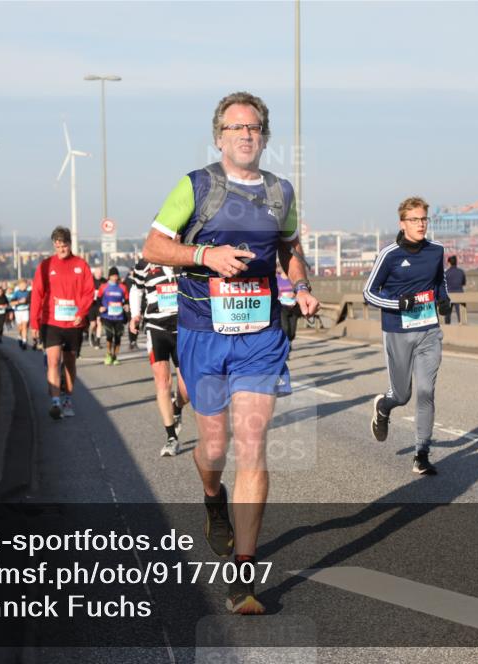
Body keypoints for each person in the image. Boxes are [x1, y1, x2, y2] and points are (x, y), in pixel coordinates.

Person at [142, 91, 318, 614]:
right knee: (214, 448)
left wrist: (302, 284)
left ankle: (243, 575)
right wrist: (205, 254)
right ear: (219, 136)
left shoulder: (281, 192)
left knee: (253, 442)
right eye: (236, 127)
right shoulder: (196, 186)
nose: (246, 134)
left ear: (265, 136)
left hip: (261, 335)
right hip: (202, 331)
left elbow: (289, 248)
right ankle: (212, 498)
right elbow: (153, 247)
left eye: (255, 127)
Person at [362, 196, 449, 475]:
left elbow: (439, 282)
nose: (421, 224)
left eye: (424, 219)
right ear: (403, 223)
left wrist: (444, 299)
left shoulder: (436, 250)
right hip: (398, 331)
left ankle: (421, 453)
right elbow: (369, 292)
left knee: (426, 391)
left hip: (429, 331)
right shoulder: (390, 254)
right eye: (415, 219)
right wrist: (398, 304)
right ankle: (384, 406)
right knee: (402, 394)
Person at [30, 226, 94, 420]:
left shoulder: (81, 265)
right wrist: (34, 323)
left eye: (63, 246)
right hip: (51, 322)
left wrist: (81, 313)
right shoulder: (45, 266)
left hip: (73, 323)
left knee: (69, 363)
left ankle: (67, 398)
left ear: (69, 244)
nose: (61, 250)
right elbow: (37, 294)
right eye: (57, 247)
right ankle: (56, 402)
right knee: (52, 360)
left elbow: (88, 291)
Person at [129, 256, 189, 457]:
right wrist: (135, 315)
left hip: (183, 327)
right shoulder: (145, 263)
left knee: (186, 389)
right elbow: (136, 289)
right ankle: (171, 437)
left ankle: (177, 406)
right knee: (162, 382)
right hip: (156, 327)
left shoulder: (185, 256)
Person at [98, 267, 129, 365]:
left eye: (116, 276)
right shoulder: (104, 287)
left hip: (119, 316)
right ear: (109, 276)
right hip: (107, 315)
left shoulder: (122, 287)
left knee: (118, 337)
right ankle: (108, 354)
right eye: (113, 276)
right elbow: (98, 299)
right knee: (109, 335)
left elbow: (127, 299)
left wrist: (126, 305)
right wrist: (100, 307)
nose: (115, 278)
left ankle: (115, 356)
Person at [276, 268, 300, 345]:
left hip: (293, 306)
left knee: (292, 331)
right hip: (282, 306)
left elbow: (299, 290)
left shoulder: (293, 279)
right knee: (285, 328)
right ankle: (286, 346)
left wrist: (294, 293)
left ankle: (289, 341)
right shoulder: (276, 278)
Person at [443, 255, 466, 324]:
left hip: (449, 295)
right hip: (459, 294)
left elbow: (443, 284)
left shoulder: (446, 273)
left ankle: (447, 328)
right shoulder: (461, 272)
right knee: (460, 314)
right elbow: (463, 283)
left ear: (449, 263)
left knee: (447, 314)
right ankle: (462, 326)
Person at [10, 279, 31, 349]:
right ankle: (19, 336)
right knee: (20, 327)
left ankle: (24, 342)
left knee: (25, 326)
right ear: (19, 286)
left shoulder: (28, 293)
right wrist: (19, 301)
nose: (24, 286)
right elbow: (11, 303)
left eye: (25, 285)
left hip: (26, 311)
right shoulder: (16, 293)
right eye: (22, 285)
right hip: (18, 311)